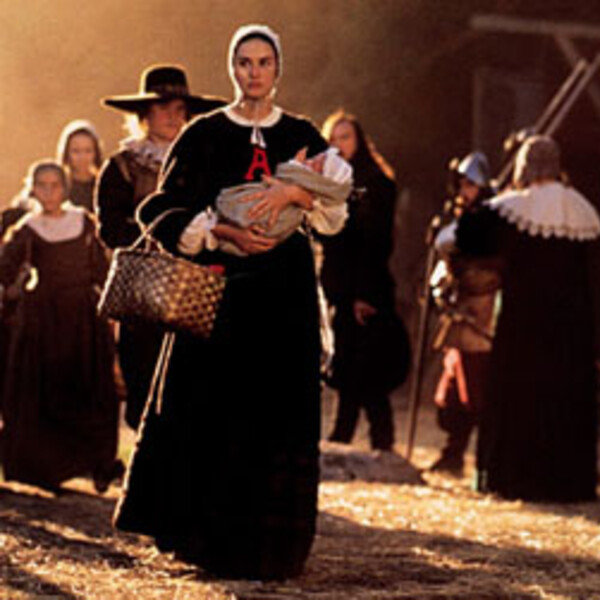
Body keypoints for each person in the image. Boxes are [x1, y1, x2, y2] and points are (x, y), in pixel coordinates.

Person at [113, 25, 350, 580]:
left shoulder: (301, 133)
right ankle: (207, 540)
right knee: (212, 410)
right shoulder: (204, 134)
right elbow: (159, 208)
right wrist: (221, 232)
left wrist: (295, 193)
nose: (254, 72)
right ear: (232, 68)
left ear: (277, 68)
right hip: (220, 292)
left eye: (264, 62)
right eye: (244, 62)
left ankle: (273, 547)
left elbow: (336, 210)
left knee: (278, 413)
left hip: (285, 296)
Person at [458, 135, 600, 502]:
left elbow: (465, 236)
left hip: (524, 326)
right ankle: (567, 483)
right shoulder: (583, 211)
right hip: (572, 330)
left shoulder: (512, 209)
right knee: (564, 401)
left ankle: (515, 478)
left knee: (521, 398)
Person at [96, 64, 225, 430]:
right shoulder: (122, 167)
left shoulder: (206, 164)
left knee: (196, 392)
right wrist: (163, 233)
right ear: (144, 114)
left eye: (180, 108)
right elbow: (109, 230)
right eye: (163, 107)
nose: (173, 115)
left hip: (196, 292)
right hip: (143, 294)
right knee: (143, 389)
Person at [0, 160, 121, 494]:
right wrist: (14, 287)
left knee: (88, 387)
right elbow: (5, 270)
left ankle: (97, 463)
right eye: (42, 185)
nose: (49, 191)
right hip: (43, 319)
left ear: (65, 187)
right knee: (46, 390)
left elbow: (102, 269)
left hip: (83, 317)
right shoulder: (27, 228)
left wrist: (110, 306)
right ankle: (45, 468)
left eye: (55, 185)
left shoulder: (83, 222)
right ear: (33, 189)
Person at [320, 110, 409, 452]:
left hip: (366, 289)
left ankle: (379, 443)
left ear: (358, 140)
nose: (339, 144)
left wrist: (364, 294)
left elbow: (375, 242)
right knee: (347, 367)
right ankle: (344, 435)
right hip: (341, 289)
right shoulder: (332, 183)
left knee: (369, 370)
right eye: (333, 138)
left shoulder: (375, 184)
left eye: (345, 137)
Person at [427, 151, 500, 475]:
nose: (464, 190)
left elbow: (487, 264)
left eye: (470, 184)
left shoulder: (492, 218)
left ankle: (486, 460)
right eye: (462, 184)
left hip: (482, 310)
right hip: (459, 310)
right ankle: (452, 454)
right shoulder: (459, 216)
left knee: (477, 392)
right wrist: (439, 287)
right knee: (453, 394)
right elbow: (445, 263)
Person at [56, 119, 103, 211]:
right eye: (75, 151)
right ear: (66, 152)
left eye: (88, 151)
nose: (82, 157)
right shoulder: (56, 184)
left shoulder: (104, 184)